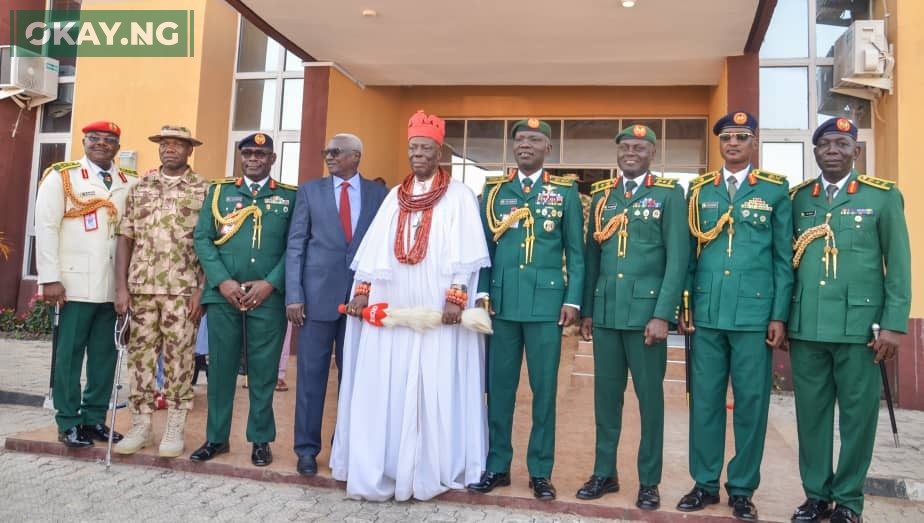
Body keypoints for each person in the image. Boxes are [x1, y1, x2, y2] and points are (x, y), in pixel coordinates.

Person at [329, 110, 490, 501]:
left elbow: (466, 258)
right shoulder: (393, 198)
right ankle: (388, 463)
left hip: (437, 312)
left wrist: (456, 297)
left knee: (433, 385)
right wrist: (363, 291)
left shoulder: (460, 197)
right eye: (413, 147)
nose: (418, 154)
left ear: (440, 152)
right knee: (392, 383)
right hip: (395, 308)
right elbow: (373, 253)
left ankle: (429, 465)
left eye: (426, 148)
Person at [786, 118, 911, 523]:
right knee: (812, 417)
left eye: (842, 143)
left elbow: (900, 265)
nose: (833, 150)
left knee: (858, 420)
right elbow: (787, 262)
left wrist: (893, 325)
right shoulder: (799, 200)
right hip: (807, 327)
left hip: (862, 331)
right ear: (816, 152)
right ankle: (816, 496)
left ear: (856, 152)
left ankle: (850, 501)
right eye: (825, 144)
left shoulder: (882, 197)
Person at [677, 111, 793, 521]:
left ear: (754, 143)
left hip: (753, 315)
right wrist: (684, 305)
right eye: (727, 137)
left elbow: (783, 259)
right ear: (719, 144)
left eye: (742, 137)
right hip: (707, 314)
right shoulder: (699, 191)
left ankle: (742, 488)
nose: (733, 143)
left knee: (751, 405)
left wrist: (779, 314)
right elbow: (688, 256)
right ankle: (704, 484)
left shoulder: (776, 192)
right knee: (704, 402)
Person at [467, 118, 584, 501]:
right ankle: (497, 465)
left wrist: (572, 300)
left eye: (534, 139)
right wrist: (482, 293)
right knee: (497, 390)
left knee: (544, 391)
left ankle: (540, 470)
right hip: (501, 306)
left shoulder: (564, 192)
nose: (525, 145)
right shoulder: (495, 190)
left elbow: (576, 254)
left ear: (548, 148)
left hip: (547, 306)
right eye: (519, 139)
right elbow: (484, 250)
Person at [576, 125, 689, 509]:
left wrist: (664, 315)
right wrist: (588, 311)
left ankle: (649, 481)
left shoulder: (669, 194)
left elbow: (678, 259)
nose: (630, 152)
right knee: (605, 401)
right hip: (607, 314)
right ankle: (604, 472)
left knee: (649, 402)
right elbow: (593, 258)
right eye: (624, 146)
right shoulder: (602, 196)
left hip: (646, 318)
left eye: (639, 147)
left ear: (652, 153)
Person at [190, 132, 297, 467]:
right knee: (220, 370)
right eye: (248, 153)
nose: (254, 159)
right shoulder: (219, 191)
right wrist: (222, 283)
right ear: (241, 156)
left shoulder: (289, 197)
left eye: (261, 154)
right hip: (225, 298)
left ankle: (261, 440)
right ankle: (216, 438)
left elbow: (293, 247)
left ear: (272, 159)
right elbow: (203, 239)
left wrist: (271, 284)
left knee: (264, 373)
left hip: (267, 299)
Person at [285, 133, 388, 477]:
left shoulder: (378, 195)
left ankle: (346, 447)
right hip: (314, 301)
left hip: (361, 302)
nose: (328, 156)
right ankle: (307, 450)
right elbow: (296, 245)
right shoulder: (310, 191)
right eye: (326, 151)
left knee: (355, 379)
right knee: (311, 379)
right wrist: (294, 295)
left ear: (355, 156)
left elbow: (383, 248)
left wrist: (374, 292)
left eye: (336, 152)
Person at [34, 120, 138, 447]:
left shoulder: (129, 181)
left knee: (105, 357)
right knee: (69, 356)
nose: (101, 144)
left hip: (112, 288)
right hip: (74, 284)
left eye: (109, 140)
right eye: (95, 138)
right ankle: (68, 421)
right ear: (85, 141)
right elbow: (46, 227)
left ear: (118, 148)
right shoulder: (61, 175)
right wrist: (50, 278)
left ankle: (94, 419)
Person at [112, 125, 208, 457]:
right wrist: (121, 287)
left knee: (180, 359)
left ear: (189, 151)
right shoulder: (140, 188)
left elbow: (211, 245)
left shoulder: (204, 190)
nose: (169, 149)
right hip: (140, 289)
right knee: (140, 359)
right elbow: (126, 238)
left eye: (177, 145)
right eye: (164, 144)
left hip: (183, 291)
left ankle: (174, 428)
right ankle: (141, 427)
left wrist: (203, 291)